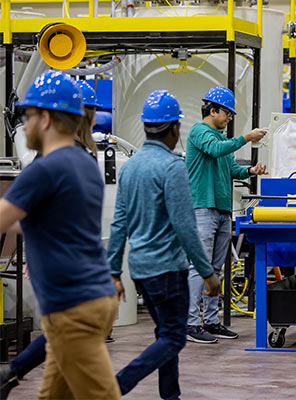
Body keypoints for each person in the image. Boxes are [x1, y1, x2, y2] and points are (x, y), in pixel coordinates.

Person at [0, 70, 120, 398]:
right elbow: (50, 221)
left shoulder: (44, 169)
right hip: (93, 298)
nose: (25, 125)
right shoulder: (85, 163)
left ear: (47, 118)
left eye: (29, 115)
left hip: (73, 306)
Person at [107, 90, 220, 399]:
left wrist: (114, 271)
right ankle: (113, 387)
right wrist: (208, 273)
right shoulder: (172, 168)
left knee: (164, 333)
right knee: (173, 338)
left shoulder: (130, 168)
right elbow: (186, 228)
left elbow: (119, 223)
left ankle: (170, 395)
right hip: (168, 270)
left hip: (140, 271)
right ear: (173, 129)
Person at [185, 86, 267, 343]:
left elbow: (231, 168)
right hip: (202, 208)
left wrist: (250, 171)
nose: (230, 118)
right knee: (199, 268)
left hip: (221, 211)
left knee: (214, 270)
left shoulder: (220, 138)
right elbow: (214, 151)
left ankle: (210, 321)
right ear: (213, 110)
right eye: (227, 113)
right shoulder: (200, 132)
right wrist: (246, 137)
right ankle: (189, 323)